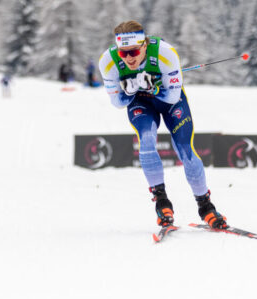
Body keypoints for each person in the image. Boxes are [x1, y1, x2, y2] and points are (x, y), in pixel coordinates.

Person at [97, 20, 227, 230]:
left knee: (185, 149)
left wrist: (154, 88)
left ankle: (206, 206)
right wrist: (130, 91)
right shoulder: (108, 62)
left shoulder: (165, 54)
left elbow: (173, 95)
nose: (129, 58)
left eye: (133, 52)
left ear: (144, 45)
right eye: (124, 53)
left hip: (169, 102)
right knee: (147, 142)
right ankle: (162, 202)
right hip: (140, 103)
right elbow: (117, 102)